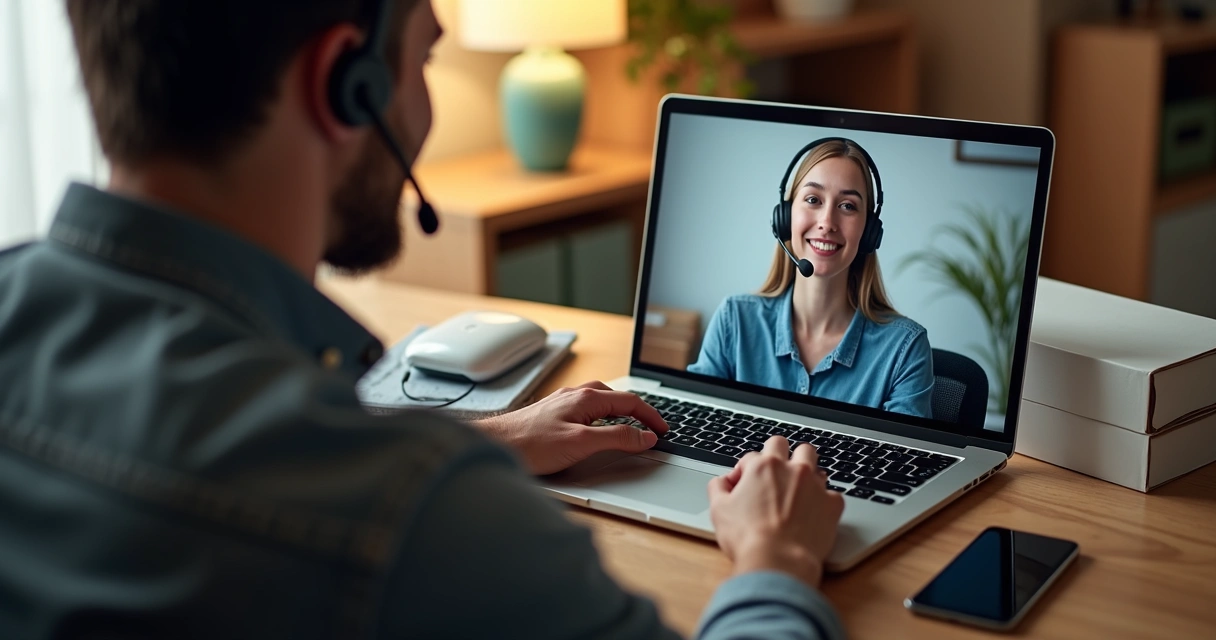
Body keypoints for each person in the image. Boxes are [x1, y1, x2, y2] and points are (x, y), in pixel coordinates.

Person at [0, 1, 847, 638]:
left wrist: (485, 439)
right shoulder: (419, 519)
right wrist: (776, 560)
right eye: (425, 58)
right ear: (346, 83)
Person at [689, 139, 934, 418]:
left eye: (848, 206)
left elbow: (902, 458)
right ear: (784, 218)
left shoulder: (904, 349)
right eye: (813, 200)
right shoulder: (735, 320)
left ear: (868, 232)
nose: (827, 222)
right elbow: (694, 420)